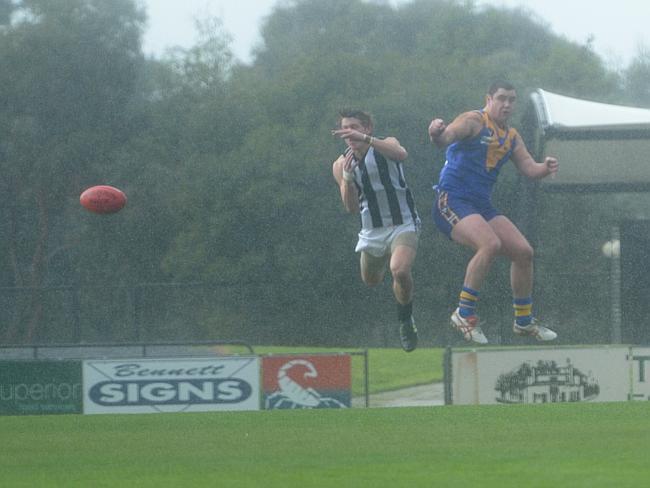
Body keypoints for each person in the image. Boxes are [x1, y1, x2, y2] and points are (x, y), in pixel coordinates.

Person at [428, 81, 559, 344]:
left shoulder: (511, 137)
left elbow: (529, 169)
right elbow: (446, 137)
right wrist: (436, 132)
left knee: (524, 252)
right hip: (451, 199)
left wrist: (545, 167)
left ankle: (523, 320)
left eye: (512, 100)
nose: (507, 105)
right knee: (489, 244)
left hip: (481, 205)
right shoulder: (473, 121)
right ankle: (463, 314)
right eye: (502, 98)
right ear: (488, 99)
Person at [332, 109, 420, 352]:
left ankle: (405, 320)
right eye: (345, 128)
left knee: (399, 270)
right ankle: (389, 277)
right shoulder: (341, 164)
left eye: (354, 127)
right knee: (371, 281)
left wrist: (368, 141)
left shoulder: (385, 145)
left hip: (403, 223)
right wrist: (348, 179)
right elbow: (350, 207)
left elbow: (401, 154)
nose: (349, 132)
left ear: (367, 128)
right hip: (372, 230)